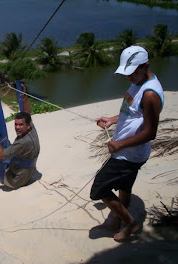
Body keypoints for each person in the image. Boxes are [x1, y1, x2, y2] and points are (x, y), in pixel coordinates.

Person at [90, 46, 164, 241]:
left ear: (145, 65)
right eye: (126, 73)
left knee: (100, 189)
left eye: (132, 72)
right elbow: (128, 111)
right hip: (126, 150)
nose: (128, 77)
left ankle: (130, 223)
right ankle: (116, 220)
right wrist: (112, 120)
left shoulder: (150, 94)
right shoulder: (135, 84)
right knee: (124, 185)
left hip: (129, 153)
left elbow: (150, 133)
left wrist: (120, 145)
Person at [0, 85, 40, 189]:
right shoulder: (31, 130)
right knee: (2, 147)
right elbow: (27, 112)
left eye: (20, 125)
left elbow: (1, 154)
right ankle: (1, 169)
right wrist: (24, 96)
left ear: (27, 125)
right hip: (27, 173)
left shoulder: (22, 142)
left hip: (15, 180)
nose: (17, 128)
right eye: (16, 124)